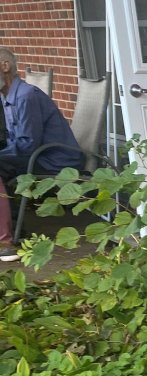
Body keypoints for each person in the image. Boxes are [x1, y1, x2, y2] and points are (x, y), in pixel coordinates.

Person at [0, 48, 83, 261]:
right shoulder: (6, 96)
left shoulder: (27, 96)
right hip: (34, 156)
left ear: (4, 66)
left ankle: (7, 240)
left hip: (55, 160)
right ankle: (14, 230)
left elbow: (27, 144)